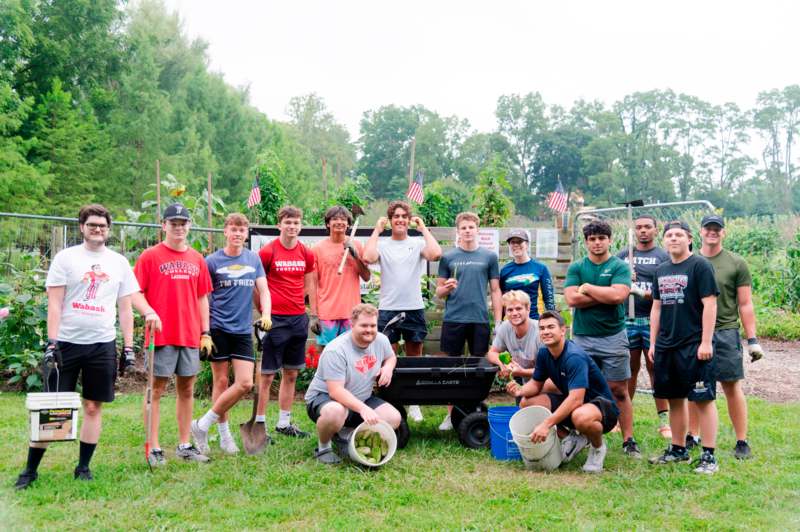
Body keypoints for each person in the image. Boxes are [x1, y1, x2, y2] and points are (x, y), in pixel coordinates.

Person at [14, 204, 161, 489]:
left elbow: (126, 307)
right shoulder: (66, 258)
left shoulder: (118, 263)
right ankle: (30, 470)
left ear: (108, 230)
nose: (97, 229)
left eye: (102, 226)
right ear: (82, 227)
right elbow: (55, 302)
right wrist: (52, 341)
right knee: (53, 408)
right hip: (66, 344)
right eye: (92, 225)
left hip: (102, 345)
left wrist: (128, 347)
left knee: (93, 407)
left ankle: (83, 467)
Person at [134, 203, 213, 466]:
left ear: (189, 226)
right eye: (173, 223)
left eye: (183, 223)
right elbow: (135, 292)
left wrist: (205, 331)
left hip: (189, 334)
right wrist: (148, 313)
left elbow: (202, 297)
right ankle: (154, 447)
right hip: (161, 334)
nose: (179, 228)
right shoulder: (150, 256)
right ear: (164, 225)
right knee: (155, 389)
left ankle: (184, 444)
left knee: (187, 389)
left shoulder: (197, 258)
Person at [190, 213, 272, 455]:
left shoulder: (253, 259)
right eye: (233, 229)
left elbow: (264, 291)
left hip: (243, 329)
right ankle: (225, 436)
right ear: (225, 232)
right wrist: (203, 331)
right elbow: (202, 296)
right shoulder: (212, 261)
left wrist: (266, 314)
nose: (237, 233)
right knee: (222, 382)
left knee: (245, 382)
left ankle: (202, 424)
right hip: (217, 328)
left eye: (242, 230)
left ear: (246, 234)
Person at [687, 214, 763, 459]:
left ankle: (742, 440)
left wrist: (752, 340)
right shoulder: (689, 260)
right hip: (693, 332)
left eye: (716, 229)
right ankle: (692, 435)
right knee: (695, 386)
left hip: (725, 331)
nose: (712, 232)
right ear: (700, 232)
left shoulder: (735, 262)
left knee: (731, 385)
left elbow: (745, 303)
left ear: (723, 232)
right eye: (708, 228)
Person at [507, 311, 620, 473]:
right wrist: (519, 390)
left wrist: (546, 424)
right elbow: (536, 385)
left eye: (551, 327)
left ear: (562, 330)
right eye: (542, 328)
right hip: (574, 405)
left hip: (602, 409)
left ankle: (597, 448)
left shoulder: (574, 356)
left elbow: (576, 400)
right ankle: (571, 438)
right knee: (526, 403)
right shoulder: (544, 353)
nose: (545, 331)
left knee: (580, 416)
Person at [648, 221, 720, 474]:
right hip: (667, 345)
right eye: (669, 235)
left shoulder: (700, 265)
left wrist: (706, 341)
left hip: (694, 344)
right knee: (675, 399)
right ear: (664, 240)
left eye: (679, 234)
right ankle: (678, 449)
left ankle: (709, 456)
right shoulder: (661, 269)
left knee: (703, 399)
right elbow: (656, 308)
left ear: (689, 239)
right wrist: (653, 342)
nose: (674, 238)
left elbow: (710, 304)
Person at [565, 220, 640, 458]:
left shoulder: (619, 266)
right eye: (592, 239)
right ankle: (584, 433)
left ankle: (628, 439)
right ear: (586, 242)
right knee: (581, 388)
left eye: (601, 238)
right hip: (583, 338)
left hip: (613, 337)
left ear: (609, 240)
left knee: (619, 389)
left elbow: (619, 296)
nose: (597, 243)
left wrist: (587, 288)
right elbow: (572, 300)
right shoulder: (577, 267)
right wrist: (604, 292)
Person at [363, 201, 441, 423]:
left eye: (404, 216)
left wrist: (423, 228)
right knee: (388, 357)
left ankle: (414, 403)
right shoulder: (384, 244)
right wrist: (376, 231)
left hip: (413, 308)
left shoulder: (417, 243)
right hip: (388, 309)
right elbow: (367, 257)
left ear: (409, 219)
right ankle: (390, 401)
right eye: (395, 216)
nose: (400, 219)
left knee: (413, 357)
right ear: (390, 220)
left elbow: (435, 254)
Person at [304, 304, 400, 464]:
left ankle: (346, 434)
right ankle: (324, 447)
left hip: (361, 398)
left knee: (393, 418)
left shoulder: (381, 340)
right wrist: (363, 409)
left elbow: (391, 357)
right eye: (364, 325)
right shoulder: (336, 350)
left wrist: (388, 368)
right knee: (335, 412)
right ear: (352, 324)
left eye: (373, 325)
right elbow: (335, 391)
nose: (369, 330)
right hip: (326, 399)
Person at [435, 211, 502, 430]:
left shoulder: (489, 257)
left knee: (478, 368)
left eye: (471, 227)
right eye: (463, 228)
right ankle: (450, 414)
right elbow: (438, 293)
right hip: (454, 319)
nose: (467, 231)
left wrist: (498, 321)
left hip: (479, 319)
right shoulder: (448, 257)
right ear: (458, 231)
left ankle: (475, 411)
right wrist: (446, 288)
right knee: (450, 367)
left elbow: (495, 290)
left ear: (477, 230)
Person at [256, 205, 316, 438]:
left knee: (291, 373)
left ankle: (283, 423)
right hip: (274, 320)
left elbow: (309, 283)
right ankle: (259, 424)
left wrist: (302, 307)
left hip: (298, 319)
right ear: (279, 225)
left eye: (296, 223)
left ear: (300, 225)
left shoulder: (306, 253)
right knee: (267, 375)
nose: (292, 226)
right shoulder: (268, 252)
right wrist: (264, 312)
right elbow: (257, 286)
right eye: (288, 222)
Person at [615, 215, 672, 439]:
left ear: (656, 230)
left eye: (648, 227)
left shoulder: (663, 257)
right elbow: (613, 286)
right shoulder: (623, 256)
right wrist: (625, 280)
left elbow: (667, 291)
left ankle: (664, 420)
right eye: (638, 227)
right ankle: (622, 419)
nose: (643, 231)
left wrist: (643, 290)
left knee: (655, 368)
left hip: (653, 321)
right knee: (628, 370)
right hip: (627, 320)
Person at [310, 206, 371, 351]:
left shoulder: (356, 245)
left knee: (352, 355)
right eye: (335, 219)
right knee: (326, 355)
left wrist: (355, 255)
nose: (339, 222)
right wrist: (313, 315)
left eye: (343, 219)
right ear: (327, 224)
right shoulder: (317, 249)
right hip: (326, 314)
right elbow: (312, 284)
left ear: (349, 224)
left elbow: (367, 277)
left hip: (351, 314)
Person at [486, 290, 544, 387]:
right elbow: (492, 353)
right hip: (525, 381)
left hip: (547, 382)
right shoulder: (505, 327)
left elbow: (548, 370)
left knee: (526, 401)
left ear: (528, 309)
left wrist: (522, 372)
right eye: (510, 310)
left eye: (518, 308)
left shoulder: (540, 331)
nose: (514, 313)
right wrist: (503, 365)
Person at [499, 229, 555, 319]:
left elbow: (549, 298)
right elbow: (501, 299)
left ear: (527, 244)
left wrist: (552, 319)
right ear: (509, 245)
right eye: (513, 242)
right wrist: (500, 322)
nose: (516, 245)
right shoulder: (505, 270)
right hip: (511, 321)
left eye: (520, 241)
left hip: (534, 320)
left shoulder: (541, 268)